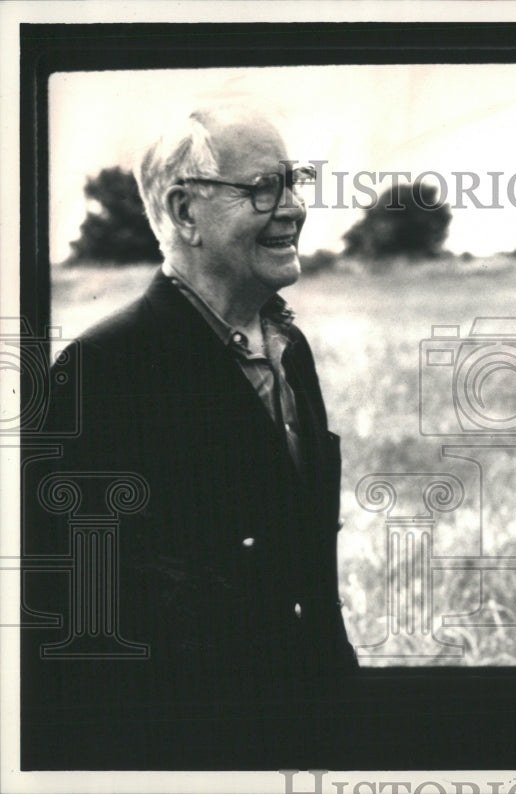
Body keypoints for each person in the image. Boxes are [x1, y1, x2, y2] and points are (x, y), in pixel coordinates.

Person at [21, 105, 356, 767]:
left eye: (295, 181)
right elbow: (72, 631)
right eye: (263, 187)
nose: (291, 207)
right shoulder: (99, 373)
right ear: (183, 213)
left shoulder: (292, 351)